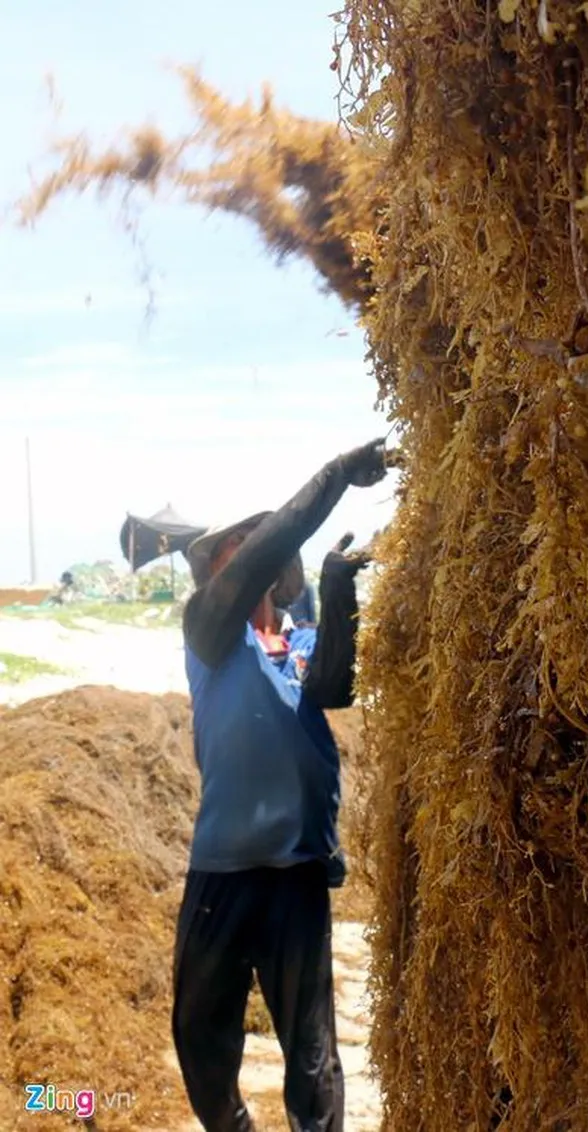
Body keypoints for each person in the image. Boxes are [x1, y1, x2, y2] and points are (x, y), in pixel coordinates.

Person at [172, 437, 389, 1132]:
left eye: (254, 540)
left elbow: (335, 683)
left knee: (313, 1058)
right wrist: (331, 478)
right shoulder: (208, 631)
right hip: (223, 875)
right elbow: (266, 555)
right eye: (235, 544)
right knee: (201, 1046)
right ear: (216, 569)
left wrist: (337, 583)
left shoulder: (295, 644)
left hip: (295, 878)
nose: (248, 551)